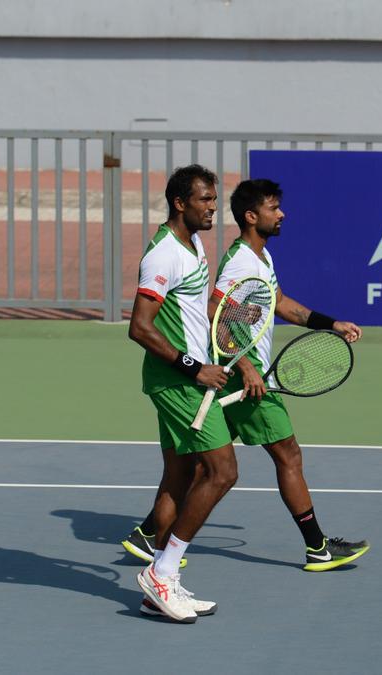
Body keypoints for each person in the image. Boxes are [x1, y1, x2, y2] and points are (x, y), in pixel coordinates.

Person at [123, 178, 370, 574]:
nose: (282, 214)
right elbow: (215, 312)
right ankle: (317, 547)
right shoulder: (238, 261)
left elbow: (279, 303)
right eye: (274, 208)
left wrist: (329, 323)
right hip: (243, 378)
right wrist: (245, 365)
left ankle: (150, 535)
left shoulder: (257, 259)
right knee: (278, 456)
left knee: (192, 467)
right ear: (253, 216)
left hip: (224, 373)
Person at [126, 164, 237, 623]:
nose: (213, 207)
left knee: (182, 470)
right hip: (179, 382)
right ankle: (162, 570)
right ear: (180, 203)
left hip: (189, 377)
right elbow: (139, 327)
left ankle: (163, 578)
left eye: (214, 199)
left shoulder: (193, 245)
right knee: (222, 471)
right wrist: (196, 369)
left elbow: (194, 311)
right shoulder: (163, 255)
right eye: (205, 200)